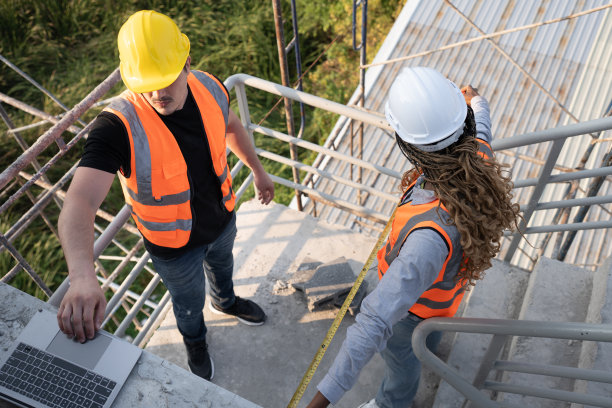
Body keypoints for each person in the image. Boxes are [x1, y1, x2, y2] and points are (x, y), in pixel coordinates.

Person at [56, 10, 275, 382]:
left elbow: (231, 125)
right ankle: (196, 342)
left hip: (222, 219)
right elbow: (80, 203)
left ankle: (226, 303)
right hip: (174, 249)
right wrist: (81, 277)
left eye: (165, 80)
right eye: (146, 83)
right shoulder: (116, 127)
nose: (157, 93)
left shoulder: (209, 87)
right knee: (188, 305)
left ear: (187, 63)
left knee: (223, 271)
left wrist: (257, 169)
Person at [306, 67, 521, 408]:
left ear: (409, 146)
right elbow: (482, 121)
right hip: (441, 302)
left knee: (403, 366)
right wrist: (475, 98)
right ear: (462, 124)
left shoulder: (428, 239)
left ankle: (391, 403)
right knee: (426, 341)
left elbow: (376, 321)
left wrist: (320, 400)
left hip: (413, 314)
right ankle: (429, 347)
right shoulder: (477, 158)